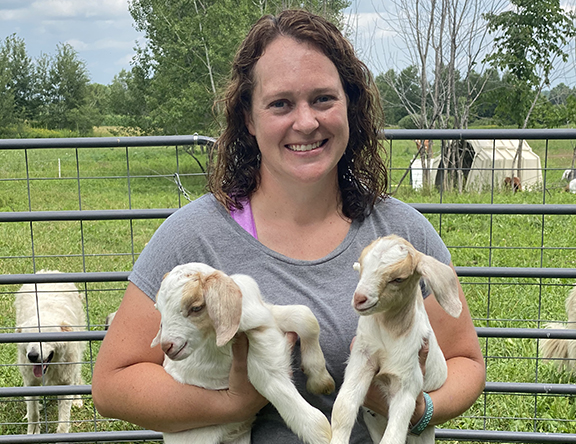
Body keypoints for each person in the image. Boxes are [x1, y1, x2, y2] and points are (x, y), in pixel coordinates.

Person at [92, 9, 485, 443]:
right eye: (281, 103)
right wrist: (233, 403)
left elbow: (466, 361)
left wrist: (415, 409)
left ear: (350, 107)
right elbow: (113, 384)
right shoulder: (193, 236)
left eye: (323, 99)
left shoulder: (401, 234)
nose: (306, 122)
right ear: (248, 117)